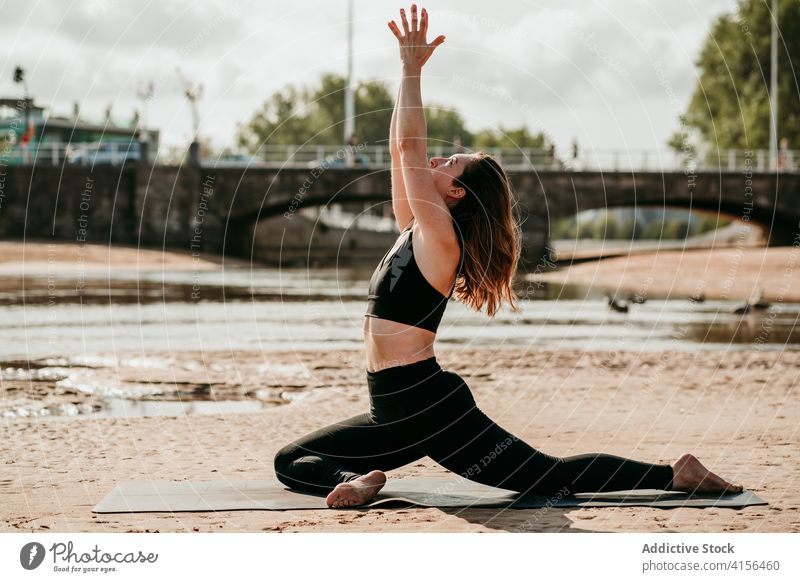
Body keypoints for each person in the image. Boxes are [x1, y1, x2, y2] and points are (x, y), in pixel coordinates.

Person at [274, 4, 743, 509]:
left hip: (427, 404)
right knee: (292, 461)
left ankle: (676, 474)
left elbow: (410, 149)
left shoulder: (440, 239)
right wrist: (404, 78)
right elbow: (398, 152)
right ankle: (358, 479)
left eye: (449, 163)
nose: (436, 160)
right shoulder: (413, 226)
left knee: (546, 478)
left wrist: (412, 70)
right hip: (389, 408)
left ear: (455, 195)